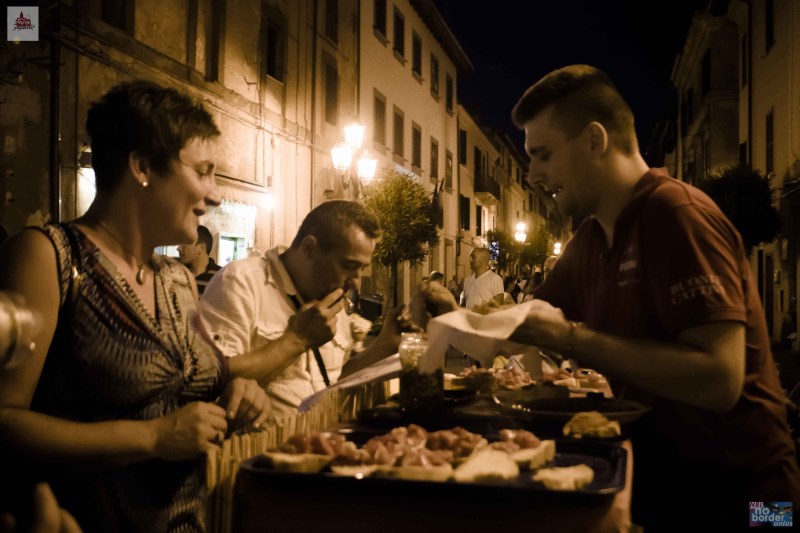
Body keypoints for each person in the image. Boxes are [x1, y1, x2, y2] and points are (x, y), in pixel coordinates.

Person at [509, 65, 799, 530]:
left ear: (594, 140)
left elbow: (721, 382)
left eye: (542, 154)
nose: (532, 174)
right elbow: (522, 319)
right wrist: (447, 315)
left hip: (752, 501)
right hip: (670, 486)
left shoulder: (676, 214)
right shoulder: (591, 237)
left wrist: (573, 338)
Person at [0, 80, 270, 532]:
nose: (217, 193)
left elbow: (189, 397)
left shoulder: (177, 278)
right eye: (204, 171)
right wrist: (152, 438)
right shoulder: (51, 257)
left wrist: (238, 398)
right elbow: (4, 420)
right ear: (143, 166)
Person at [200, 200, 405, 418]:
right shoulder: (242, 282)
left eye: (361, 268)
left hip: (319, 445)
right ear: (309, 248)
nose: (356, 282)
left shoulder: (332, 296)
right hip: (257, 448)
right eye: (348, 266)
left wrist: (385, 344)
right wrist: (297, 339)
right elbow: (210, 378)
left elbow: (335, 380)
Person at [178, 224, 221, 294]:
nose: (178, 248)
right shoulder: (174, 270)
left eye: (184, 244)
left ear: (201, 247)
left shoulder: (220, 277)